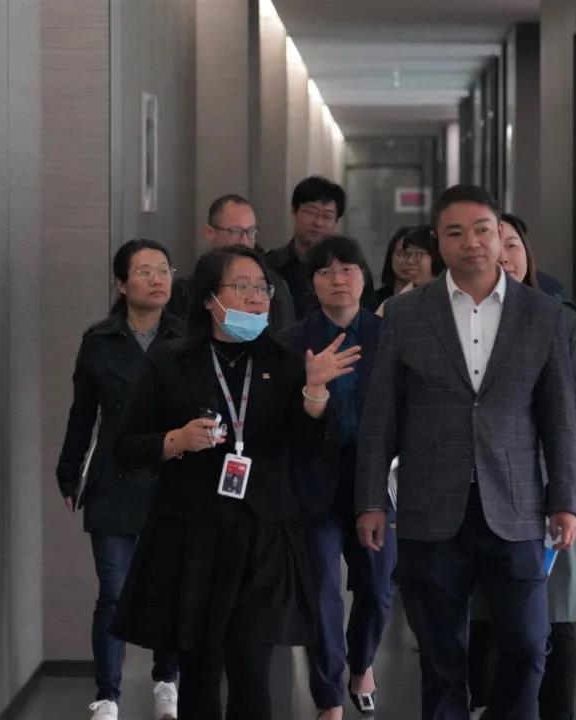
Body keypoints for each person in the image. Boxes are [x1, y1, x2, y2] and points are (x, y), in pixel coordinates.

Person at [355, 185, 576, 720]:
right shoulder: (406, 314)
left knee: (528, 643)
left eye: (482, 230)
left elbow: (559, 418)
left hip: (517, 505)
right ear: (439, 242)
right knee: (441, 656)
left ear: (500, 236)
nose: (472, 243)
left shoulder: (542, 313)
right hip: (430, 507)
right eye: (455, 233)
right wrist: (371, 500)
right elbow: (381, 415)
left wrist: (565, 500)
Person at [109, 246, 360, 720]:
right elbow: (125, 447)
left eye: (262, 288)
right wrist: (176, 440)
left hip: (264, 533)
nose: (256, 297)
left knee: (251, 666)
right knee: (200, 670)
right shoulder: (171, 362)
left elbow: (312, 448)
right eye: (241, 287)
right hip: (193, 534)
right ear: (209, 299)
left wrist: (315, 394)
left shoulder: (287, 362)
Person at [494, 212, 576, 720]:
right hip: (483, 486)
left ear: (527, 254)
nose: (503, 254)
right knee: (491, 615)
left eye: (512, 243)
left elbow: (574, 409)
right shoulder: (456, 323)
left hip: (550, 481)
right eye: (492, 241)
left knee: (555, 613)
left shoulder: (562, 319)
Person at [55, 239, 183, 720]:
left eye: (164, 270)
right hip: (114, 479)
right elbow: (82, 414)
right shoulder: (99, 340)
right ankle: (107, 694)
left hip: (173, 477)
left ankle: (167, 681)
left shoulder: (187, 336)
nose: (157, 279)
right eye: (145, 271)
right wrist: (70, 472)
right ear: (122, 284)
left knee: (169, 587)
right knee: (113, 592)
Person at [280, 236, 395, 720]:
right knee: (322, 590)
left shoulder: (389, 335)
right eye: (325, 271)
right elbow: (285, 421)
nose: (338, 278)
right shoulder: (291, 342)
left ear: (364, 277)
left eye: (347, 268)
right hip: (315, 480)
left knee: (377, 587)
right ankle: (328, 697)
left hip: (375, 480)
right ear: (312, 284)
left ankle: (361, 662)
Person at [168, 194, 296, 328]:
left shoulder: (274, 285)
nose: (244, 242)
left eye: (251, 232)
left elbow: (285, 335)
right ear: (210, 233)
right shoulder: (186, 290)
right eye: (236, 232)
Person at [266, 176, 376, 318]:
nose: (318, 223)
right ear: (294, 211)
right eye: (311, 212)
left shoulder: (353, 270)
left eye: (327, 216)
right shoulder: (270, 265)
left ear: (336, 221)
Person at [374, 224, 445, 316]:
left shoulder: (448, 296)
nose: (409, 261)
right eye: (408, 254)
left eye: (418, 254)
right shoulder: (394, 303)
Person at [373, 227, 413, 306]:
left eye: (410, 254)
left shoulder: (429, 300)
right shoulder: (375, 299)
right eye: (400, 254)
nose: (405, 260)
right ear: (391, 256)